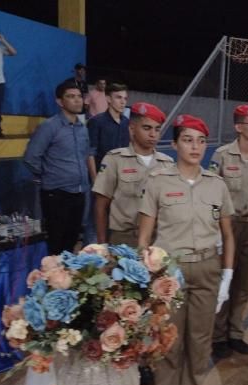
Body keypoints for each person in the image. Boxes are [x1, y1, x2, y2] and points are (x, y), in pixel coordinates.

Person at [138, 114, 235, 385]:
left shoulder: (216, 185)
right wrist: (146, 275)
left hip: (207, 268)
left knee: (199, 341)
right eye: (188, 140)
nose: (195, 147)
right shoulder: (158, 182)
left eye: (201, 141)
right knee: (169, 341)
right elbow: (144, 236)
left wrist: (227, 276)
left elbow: (228, 234)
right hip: (170, 271)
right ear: (175, 144)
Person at [210, 105, 248, 358]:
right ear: (238, 127)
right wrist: (215, 229)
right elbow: (211, 193)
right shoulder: (222, 155)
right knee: (225, 278)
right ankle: (218, 336)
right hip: (228, 225)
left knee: (243, 281)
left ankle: (235, 332)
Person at [23, 81, 94, 255]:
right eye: (71, 96)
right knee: (55, 245)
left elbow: (85, 155)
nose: (77, 100)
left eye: (79, 96)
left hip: (79, 193)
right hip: (56, 194)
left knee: (71, 243)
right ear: (60, 102)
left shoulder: (82, 128)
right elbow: (31, 157)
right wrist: (49, 176)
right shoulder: (49, 126)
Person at [93, 102, 173, 247]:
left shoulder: (167, 164)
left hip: (157, 240)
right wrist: (102, 245)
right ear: (132, 129)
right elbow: (101, 206)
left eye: (157, 129)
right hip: (123, 239)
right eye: (147, 128)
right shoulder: (115, 159)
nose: (153, 134)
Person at [87, 82, 130, 169]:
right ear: (108, 99)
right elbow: (90, 153)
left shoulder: (126, 122)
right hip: (102, 172)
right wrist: (95, 176)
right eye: (119, 97)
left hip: (121, 171)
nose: (123, 102)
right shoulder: (96, 121)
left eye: (125, 98)